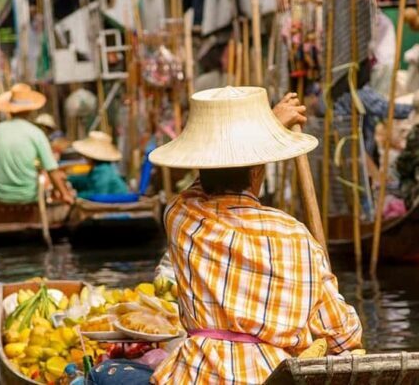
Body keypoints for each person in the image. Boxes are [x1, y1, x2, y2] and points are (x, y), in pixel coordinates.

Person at [147, 87, 362, 385]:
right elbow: (341, 332)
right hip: (270, 377)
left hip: (195, 376)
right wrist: (267, 130)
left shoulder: (181, 217)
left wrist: (269, 125)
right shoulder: (295, 235)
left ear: (202, 165)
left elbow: (198, 187)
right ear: (257, 172)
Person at [0, 83, 74, 205]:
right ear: (30, 110)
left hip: (0, 196)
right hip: (29, 197)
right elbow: (51, 169)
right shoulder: (36, 133)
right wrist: (65, 194)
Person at [67, 131, 129, 198]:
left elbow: (98, 194)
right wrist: (69, 179)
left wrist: (76, 195)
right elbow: (87, 181)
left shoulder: (103, 170)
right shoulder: (98, 168)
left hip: (115, 203)